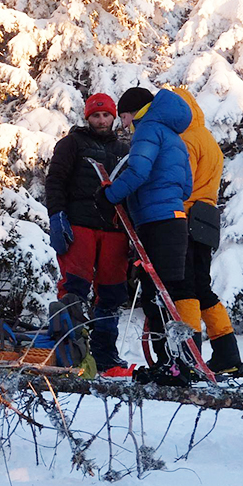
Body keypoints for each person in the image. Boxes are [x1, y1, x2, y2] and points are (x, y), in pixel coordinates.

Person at [96, 87, 192, 372]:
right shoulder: (174, 137)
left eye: (123, 116)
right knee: (167, 293)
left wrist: (110, 195)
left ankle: (168, 363)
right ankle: (176, 358)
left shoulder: (147, 130)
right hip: (176, 219)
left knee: (154, 294)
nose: (123, 124)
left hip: (156, 222)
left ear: (132, 111)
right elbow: (186, 186)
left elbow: (138, 172)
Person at [45, 93, 131, 374]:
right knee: (74, 288)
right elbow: (55, 180)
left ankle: (105, 355)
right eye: (96, 115)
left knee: (111, 293)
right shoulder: (72, 144)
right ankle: (68, 352)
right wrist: (57, 216)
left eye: (106, 115)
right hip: (79, 225)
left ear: (114, 116)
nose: (102, 120)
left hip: (115, 230)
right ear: (87, 117)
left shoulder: (124, 149)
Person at [173, 87, 243, 374]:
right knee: (203, 287)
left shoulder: (186, 141)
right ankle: (227, 355)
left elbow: (180, 180)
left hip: (186, 215)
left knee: (185, 288)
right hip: (207, 218)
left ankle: (190, 357)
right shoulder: (208, 139)